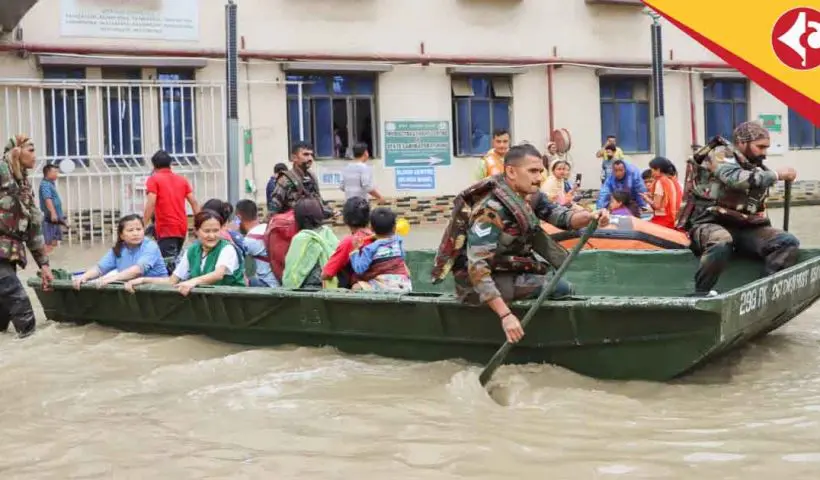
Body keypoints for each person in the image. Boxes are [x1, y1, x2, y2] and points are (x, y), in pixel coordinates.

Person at [431, 143, 609, 344]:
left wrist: (591, 216)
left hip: (509, 270)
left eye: (540, 171)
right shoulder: (490, 211)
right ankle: (546, 338)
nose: (539, 177)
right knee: (560, 288)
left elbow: (561, 216)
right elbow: (477, 268)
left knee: (552, 277)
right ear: (511, 172)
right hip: (479, 283)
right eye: (532, 171)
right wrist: (506, 316)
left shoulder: (530, 197)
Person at [678, 121, 799, 296]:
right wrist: (776, 175)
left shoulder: (753, 165)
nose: (764, 153)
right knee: (721, 241)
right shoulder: (720, 154)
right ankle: (701, 293)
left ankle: (764, 293)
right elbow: (734, 178)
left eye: (766, 147)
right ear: (742, 143)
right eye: (760, 147)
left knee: (786, 241)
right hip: (708, 223)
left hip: (743, 226)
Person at [0, 135, 53, 338]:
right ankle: (31, 342)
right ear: (16, 151)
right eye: (30, 150)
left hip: (8, 252)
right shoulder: (2, 171)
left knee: (3, 314)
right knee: (20, 304)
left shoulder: (24, 185)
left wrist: (44, 265)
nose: (35, 156)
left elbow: (33, 229)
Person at [125, 210, 245, 295]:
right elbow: (172, 281)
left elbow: (218, 274)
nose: (212, 235)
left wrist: (192, 282)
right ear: (196, 231)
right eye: (207, 231)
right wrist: (142, 280)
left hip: (233, 301)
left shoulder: (227, 249)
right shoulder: (192, 250)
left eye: (216, 231)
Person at [72, 214, 168, 289]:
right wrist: (84, 277)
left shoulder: (150, 246)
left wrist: (112, 278)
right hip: (131, 289)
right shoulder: (118, 249)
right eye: (130, 230)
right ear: (121, 235)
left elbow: (137, 270)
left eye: (139, 229)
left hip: (157, 289)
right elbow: (100, 269)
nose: (135, 233)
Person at [143, 150, 200, 259]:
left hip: (166, 228)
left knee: (168, 263)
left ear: (154, 165)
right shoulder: (182, 180)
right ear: (170, 164)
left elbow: (151, 203)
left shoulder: (154, 179)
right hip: (181, 227)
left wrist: (142, 224)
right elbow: (194, 202)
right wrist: (199, 224)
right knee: (174, 259)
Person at [349, 207, 412, 292]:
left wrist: (355, 251)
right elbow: (402, 257)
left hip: (384, 286)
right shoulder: (398, 241)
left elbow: (359, 269)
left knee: (356, 287)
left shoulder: (370, 249)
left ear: (371, 228)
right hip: (404, 285)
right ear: (394, 228)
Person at [282, 197, 339, 289]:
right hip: (332, 287)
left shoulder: (300, 239)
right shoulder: (328, 233)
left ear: (298, 218)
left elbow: (290, 278)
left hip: (306, 292)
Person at [322, 197, 375, 288]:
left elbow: (326, 274)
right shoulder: (377, 237)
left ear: (346, 219)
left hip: (359, 291)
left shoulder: (350, 242)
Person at [268, 142, 332, 217]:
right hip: (293, 222)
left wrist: (331, 212)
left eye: (311, 155)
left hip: (313, 222)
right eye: (306, 154)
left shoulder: (312, 177)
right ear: (294, 158)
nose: (310, 158)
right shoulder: (286, 179)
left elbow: (319, 202)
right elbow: (274, 207)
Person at [235, 199, 279, 288]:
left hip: (267, 285)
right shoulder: (267, 228)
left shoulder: (250, 239)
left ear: (239, 218)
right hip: (280, 282)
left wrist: (233, 232)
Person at [642, 156, 682, 230]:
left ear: (658, 170)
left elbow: (657, 206)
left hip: (663, 221)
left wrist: (646, 199)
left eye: (652, 169)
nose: (651, 172)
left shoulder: (660, 182)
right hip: (671, 219)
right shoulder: (670, 180)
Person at [39, 163, 66, 255]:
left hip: (55, 217)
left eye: (57, 172)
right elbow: (47, 199)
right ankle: (44, 259)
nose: (57, 174)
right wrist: (53, 213)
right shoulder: (45, 184)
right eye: (54, 172)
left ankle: (49, 258)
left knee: (54, 241)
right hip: (50, 217)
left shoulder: (50, 183)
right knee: (49, 242)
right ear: (47, 173)